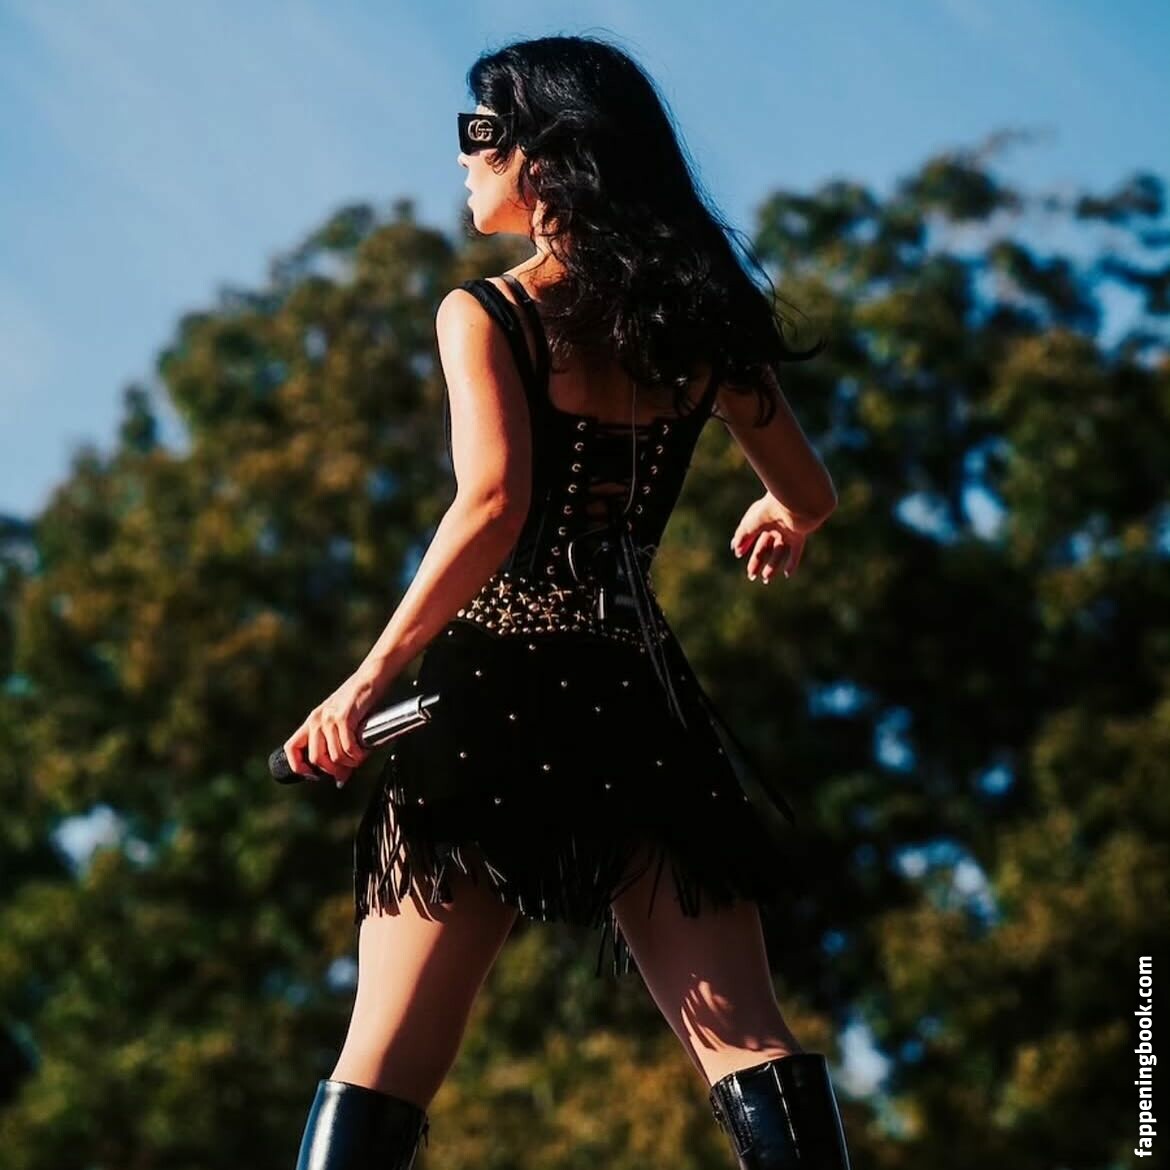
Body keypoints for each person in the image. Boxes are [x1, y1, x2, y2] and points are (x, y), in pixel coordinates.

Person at [287, 34, 850, 1170]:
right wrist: (784, 517)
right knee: (749, 1040)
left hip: (484, 700)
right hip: (640, 701)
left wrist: (366, 680)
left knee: (382, 1062)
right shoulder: (700, 326)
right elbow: (812, 492)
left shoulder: (487, 313)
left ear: (544, 159)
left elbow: (494, 505)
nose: (462, 157)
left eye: (479, 133)